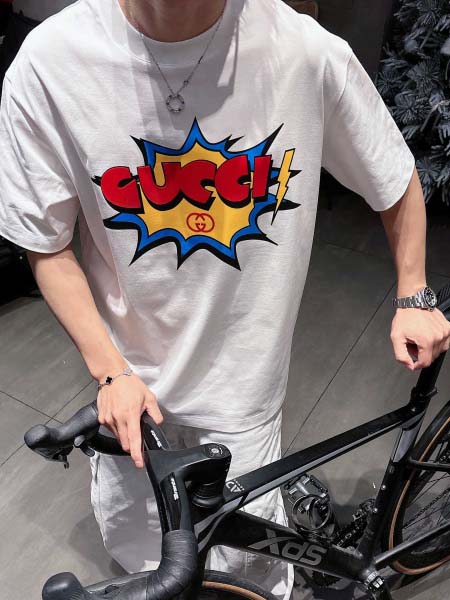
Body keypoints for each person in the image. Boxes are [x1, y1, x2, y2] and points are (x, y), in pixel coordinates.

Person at [1, 1, 450, 599]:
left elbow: (393, 175)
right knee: (147, 567)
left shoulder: (301, 52)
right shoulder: (51, 63)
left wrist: (414, 292)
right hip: (130, 404)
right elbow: (46, 242)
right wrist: (110, 372)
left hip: (245, 403)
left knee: (249, 578)